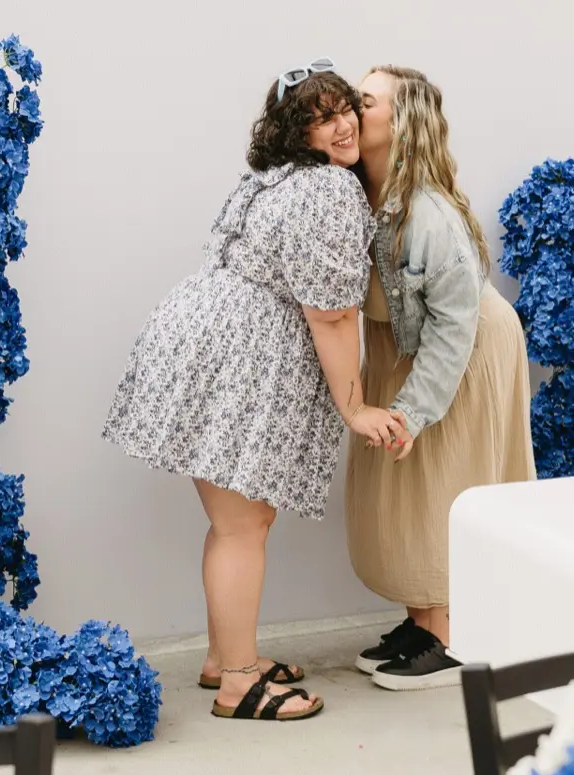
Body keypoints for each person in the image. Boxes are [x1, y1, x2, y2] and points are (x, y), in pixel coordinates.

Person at [103, 60, 407, 721]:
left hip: (198, 343)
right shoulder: (328, 190)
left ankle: (223, 655)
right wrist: (353, 405)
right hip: (230, 358)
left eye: (346, 108)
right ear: (295, 132)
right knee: (243, 522)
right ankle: (242, 680)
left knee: (235, 520)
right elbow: (330, 311)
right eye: (321, 117)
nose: (344, 123)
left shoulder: (271, 181)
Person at [344, 66, 537, 691]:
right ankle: (422, 620)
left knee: (442, 482)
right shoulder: (359, 197)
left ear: (400, 124)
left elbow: (454, 327)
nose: (349, 108)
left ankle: (449, 637)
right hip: (407, 349)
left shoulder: (428, 215)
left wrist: (416, 411)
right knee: (402, 493)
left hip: (463, 352)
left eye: (364, 101)